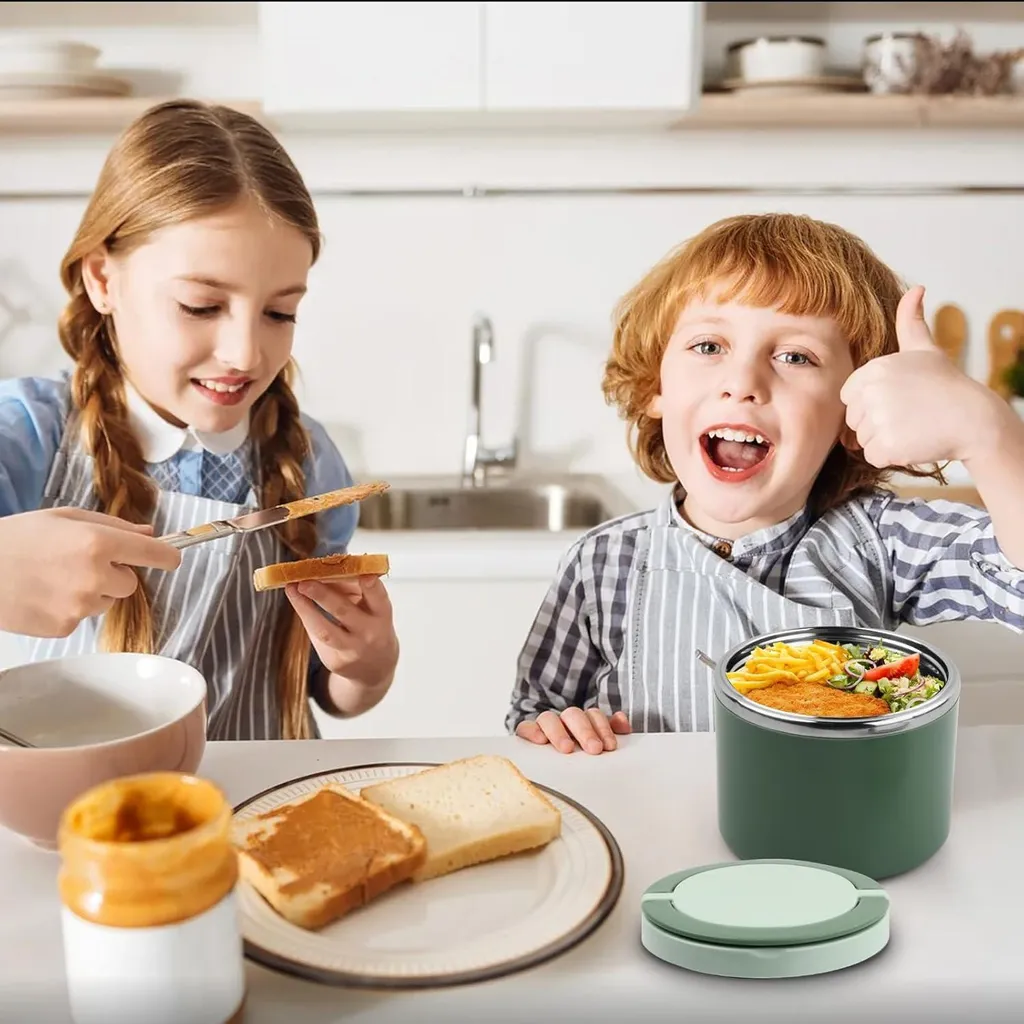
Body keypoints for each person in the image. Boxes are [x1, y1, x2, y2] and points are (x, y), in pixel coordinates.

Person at [508, 212, 1024, 755]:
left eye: (795, 356)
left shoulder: (883, 541)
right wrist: (553, 729)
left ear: (855, 415)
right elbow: (532, 714)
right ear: (655, 385)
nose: (742, 383)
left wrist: (990, 435)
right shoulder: (601, 564)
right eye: (709, 346)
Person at [0, 99, 399, 740]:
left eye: (279, 314)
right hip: (86, 818)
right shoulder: (30, 432)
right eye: (201, 305)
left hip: (262, 813)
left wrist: (367, 669)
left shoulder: (308, 458)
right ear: (103, 278)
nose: (246, 353)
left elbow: (322, 685)